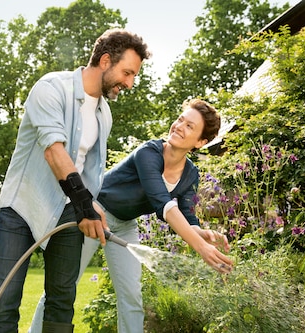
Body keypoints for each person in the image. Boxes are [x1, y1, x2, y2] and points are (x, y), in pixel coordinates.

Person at [0, 28, 151, 333]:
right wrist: (85, 204)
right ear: (105, 61)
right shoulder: (50, 88)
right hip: (22, 206)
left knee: (62, 301)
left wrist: (91, 206)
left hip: (66, 211)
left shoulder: (105, 114)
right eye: (127, 73)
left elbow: (90, 171)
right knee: (4, 302)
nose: (129, 83)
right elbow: (54, 151)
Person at [30, 98, 233, 333]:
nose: (179, 126)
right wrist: (201, 248)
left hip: (124, 225)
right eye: (180, 120)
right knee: (62, 288)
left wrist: (201, 233)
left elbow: (187, 214)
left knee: (131, 297)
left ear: (200, 142)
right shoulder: (149, 153)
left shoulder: (191, 174)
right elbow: (163, 204)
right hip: (94, 213)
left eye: (190, 126)